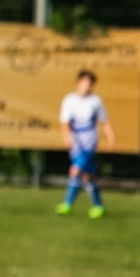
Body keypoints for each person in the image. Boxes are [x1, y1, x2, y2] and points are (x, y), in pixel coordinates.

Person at [55, 70, 117, 219]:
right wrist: (66, 137)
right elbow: (65, 122)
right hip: (76, 142)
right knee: (87, 176)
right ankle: (98, 206)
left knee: (75, 170)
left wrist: (111, 137)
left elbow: (104, 121)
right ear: (79, 82)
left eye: (91, 84)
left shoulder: (95, 101)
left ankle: (67, 204)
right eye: (86, 83)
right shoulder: (69, 100)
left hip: (89, 142)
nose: (88, 87)